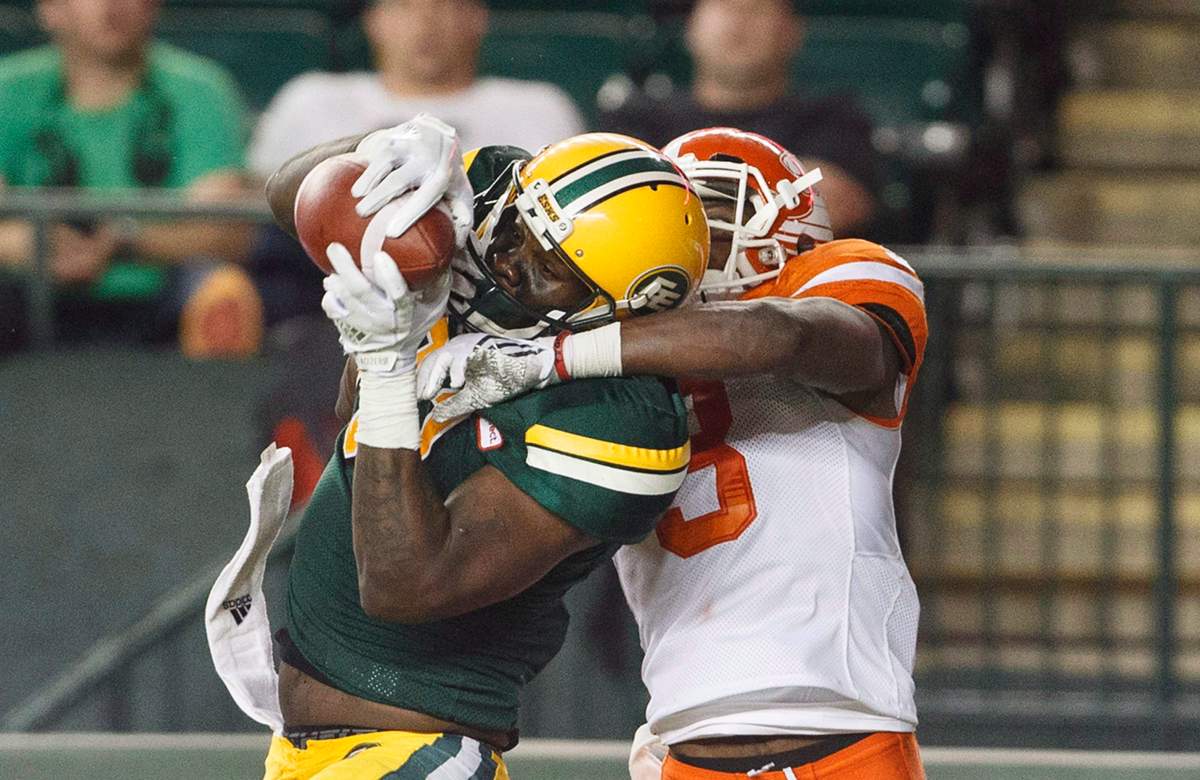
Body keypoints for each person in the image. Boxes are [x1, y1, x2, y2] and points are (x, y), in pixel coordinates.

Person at [417, 127, 928, 778]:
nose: (694, 248)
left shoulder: (831, 281)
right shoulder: (599, 334)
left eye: (714, 220)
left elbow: (777, 338)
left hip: (840, 727)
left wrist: (552, 357)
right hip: (687, 734)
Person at [207, 117, 710, 778]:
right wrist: (387, 147)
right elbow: (291, 197)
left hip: (415, 752)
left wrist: (387, 369)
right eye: (519, 229)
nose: (508, 260)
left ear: (618, 310)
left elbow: (402, 584)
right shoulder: (490, 192)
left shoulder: (619, 417)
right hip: (316, 747)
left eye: (549, 269)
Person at [0, 0, 258, 357]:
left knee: (220, 288)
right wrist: (30, 244)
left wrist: (125, 241)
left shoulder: (202, 89)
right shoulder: (7, 88)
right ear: (50, 9)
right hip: (29, 299)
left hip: (165, 299)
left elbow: (225, 232)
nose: (110, 5)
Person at [602, 0, 882, 237]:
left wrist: (677, 196)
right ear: (690, 27)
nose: (739, 19)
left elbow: (831, 204)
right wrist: (773, 193)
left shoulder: (833, 116)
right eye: (724, 6)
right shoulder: (639, 117)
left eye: (756, 8)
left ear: (792, 31)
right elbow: (615, 207)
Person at [248, 0, 585, 179]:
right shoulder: (310, 99)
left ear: (476, 18)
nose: (425, 23)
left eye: (443, 5)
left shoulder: (539, 107)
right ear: (373, 21)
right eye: (404, 5)